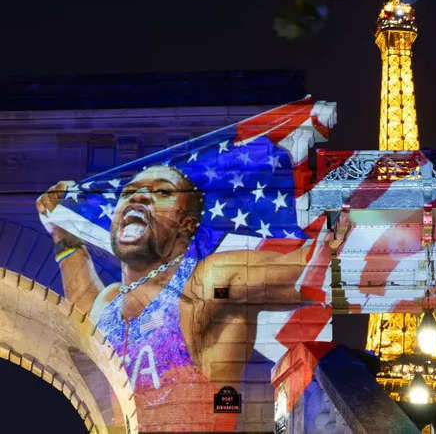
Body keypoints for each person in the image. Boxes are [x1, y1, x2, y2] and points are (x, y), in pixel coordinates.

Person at [36, 165, 309, 432]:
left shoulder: (205, 284)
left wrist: (340, 222)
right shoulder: (109, 303)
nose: (139, 196)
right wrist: (64, 235)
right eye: (130, 191)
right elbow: (84, 307)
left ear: (186, 224)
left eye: (162, 192)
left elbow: (304, 273)